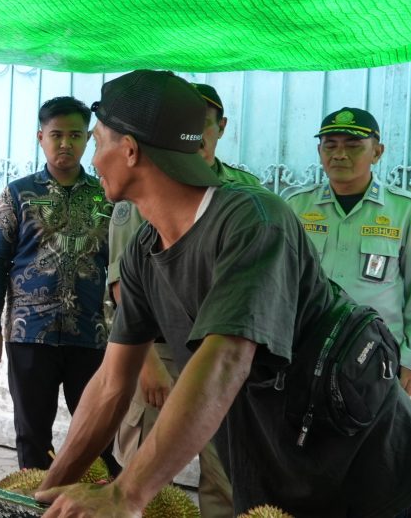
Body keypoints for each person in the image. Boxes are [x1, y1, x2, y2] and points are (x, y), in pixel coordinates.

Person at [35, 70, 411, 517]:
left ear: (130, 150)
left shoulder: (254, 220)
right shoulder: (144, 252)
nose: (92, 160)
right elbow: (113, 384)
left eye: (98, 143)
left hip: (368, 474)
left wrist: (125, 495)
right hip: (278, 473)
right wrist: (43, 495)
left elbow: (227, 357)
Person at [105, 82, 256, 517]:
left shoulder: (247, 198)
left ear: (219, 128)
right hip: (157, 351)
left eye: (204, 124)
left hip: (219, 349)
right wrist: (147, 366)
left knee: (226, 477)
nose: (196, 135)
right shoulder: (140, 190)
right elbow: (122, 287)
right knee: (142, 470)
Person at [0, 96, 120, 473]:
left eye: (75, 135)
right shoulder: (17, 194)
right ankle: (33, 503)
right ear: (41, 137)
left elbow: (122, 267)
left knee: (97, 434)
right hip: (29, 334)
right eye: (56, 135)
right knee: (33, 437)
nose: (65, 144)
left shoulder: (106, 196)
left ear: (88, 139)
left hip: (89, 336)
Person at [286, 107, 411, 396]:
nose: (340, 154)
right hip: (304, 348)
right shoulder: (296, 207)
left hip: (375, 356)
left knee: (369, 437)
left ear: (377, 152)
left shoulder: (405, 210)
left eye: (354, 146)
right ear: (320, 151)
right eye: (330, 145)